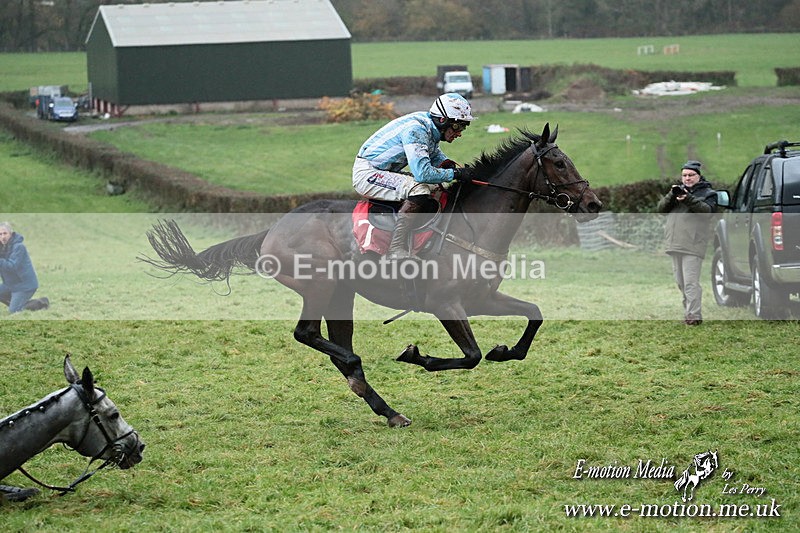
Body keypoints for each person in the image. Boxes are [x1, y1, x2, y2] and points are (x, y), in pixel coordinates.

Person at [352, 93, 477, 259]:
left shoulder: (428, 126)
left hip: (383, 171)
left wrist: (451, 166)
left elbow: (434, 154)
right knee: (419, 189)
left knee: (435, 188)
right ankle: (395, 248)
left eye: (463, 127)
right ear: (442, 120)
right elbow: (423, 173)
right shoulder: (416, 130)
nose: (460, 133)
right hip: (367, 173)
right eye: (457, 126)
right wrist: (455, 173)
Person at [656, 161, 717, 325]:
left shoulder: (708, 193)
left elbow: (707, 212)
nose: (687, 178)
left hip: (693, 244)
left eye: (691, 175)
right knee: (680, 283)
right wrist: (672, 195)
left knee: (691, 283)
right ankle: (688, 312)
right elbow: (661, 210)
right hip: (674, 243)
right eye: (684, 175)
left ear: (699, 176)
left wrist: (688, 199)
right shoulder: (676, 193)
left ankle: (693, 316)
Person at [0, 222, 49, 313]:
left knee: (14, 311)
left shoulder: (19, 247)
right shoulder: (2, 247)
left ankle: (41, 303)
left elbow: (11, 266)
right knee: (14, 305)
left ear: (11, 234)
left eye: (5, 233)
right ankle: (17, 303)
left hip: (24, 285)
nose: (3, 237)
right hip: (10, 284)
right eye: (0, 234)